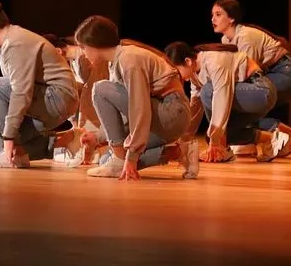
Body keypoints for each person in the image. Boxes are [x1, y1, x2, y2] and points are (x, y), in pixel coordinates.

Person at [74, 15, 198, 181]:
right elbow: (127, 114)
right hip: (162, 117)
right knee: (105, 160)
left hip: (171, 112)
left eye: (83, 47)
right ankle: (179, 152)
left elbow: (139, 107)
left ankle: (119, 159)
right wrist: (98, 137)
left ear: (94, 44)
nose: (83, 53)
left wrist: (131, 156)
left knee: (100, 89)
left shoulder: (129, 59)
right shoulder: (117, 62)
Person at [0, 1, 79, 169]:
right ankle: (63, 142)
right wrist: (9, 139)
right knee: (0, 148)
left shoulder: (15, 43)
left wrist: (9, 137)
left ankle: (11, 153)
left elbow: (20, 92)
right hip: (51, 99)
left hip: (56, 97)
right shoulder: (7, 43)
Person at [209, 0, 291, 158]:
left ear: (232, 18)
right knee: (244, 103)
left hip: (286, 73)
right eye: (212, 15)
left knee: (249, 99)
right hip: (269, 74)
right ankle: (253, 142)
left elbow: (245, 74)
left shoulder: (245, 36)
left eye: (218, 14)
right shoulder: (226, 40)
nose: (213, 19)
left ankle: (290, 135)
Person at [165, 41, 289, 163]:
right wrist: (183, 141)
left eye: (176, 71)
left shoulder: (213, 61)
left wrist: (215, 142)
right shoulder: (194, 75)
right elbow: (195, 108)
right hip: (248, 101)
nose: (177, 77)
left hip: (261, 91)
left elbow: (221, 97)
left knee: (208, 91)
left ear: (187, 61)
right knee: (216, 134)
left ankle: (221, 149)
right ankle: (271, 138)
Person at [43, 34, 109, 167]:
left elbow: (89, 93)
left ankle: (89, 146)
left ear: (58, 51)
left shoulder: (83, 57)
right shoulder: (76, 59)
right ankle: (80, 141)